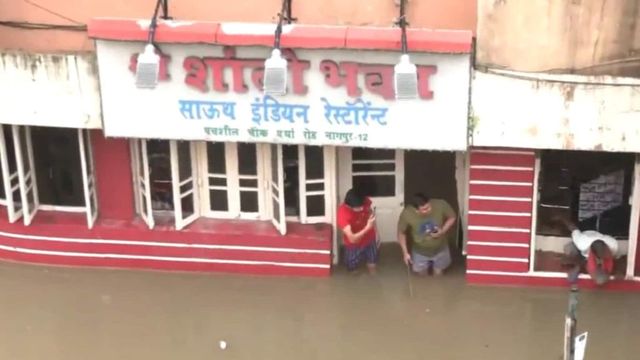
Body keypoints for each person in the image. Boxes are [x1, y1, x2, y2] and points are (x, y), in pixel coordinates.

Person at [397, 193, 457, 276]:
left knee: (438, 275)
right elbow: (401, 232)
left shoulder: (441, 204)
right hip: (419, 251)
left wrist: (442, 231)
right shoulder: (407, 213)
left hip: (440, 248)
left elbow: (452, 217)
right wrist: (405, 252)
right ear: (416, 210)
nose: (429, 210)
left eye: (429, 206)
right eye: (425, 209)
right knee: (423, 278)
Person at [557, 216, 620, 286]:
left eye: (605, 252)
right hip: (584, 239)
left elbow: (611, 263)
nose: (605, 255)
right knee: (569, 248)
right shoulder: (582, 242)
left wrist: (615, 271)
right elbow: (573, 228)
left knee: (600, 279)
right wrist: (561, 217)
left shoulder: (613, 245)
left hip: (595, 237)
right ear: (595, 254)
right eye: (603, 255)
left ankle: (582, 265)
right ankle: (578, 264)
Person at [337, 189, 377, 274]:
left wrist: (376, 232)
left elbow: (370, 212)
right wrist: (367, 228)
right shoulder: (342, 214)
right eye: (359, 207)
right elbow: (352, 239)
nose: (362, 208)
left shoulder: (363, 200)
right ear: (349, 206)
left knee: (372, 262)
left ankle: (373, 280)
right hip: (353, 244)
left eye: (362, 205)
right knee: (352, 267)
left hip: (370, 238)